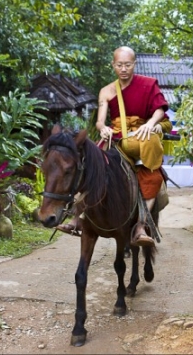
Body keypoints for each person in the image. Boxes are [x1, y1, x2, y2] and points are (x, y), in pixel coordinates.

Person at [58, 46, 172, 247]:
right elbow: (100, 121)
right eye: (120, 65)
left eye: (128, 65)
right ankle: (76, 218)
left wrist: (149, 124)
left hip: (142, 136)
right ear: (113, 65)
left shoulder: (148, 84)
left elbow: (160, 110)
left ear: (134, 64)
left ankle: (140, 226)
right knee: (90, 169)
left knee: (152, 175)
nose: (124, 69)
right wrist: (103, 129)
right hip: (116, 139)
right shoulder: (107, 91)